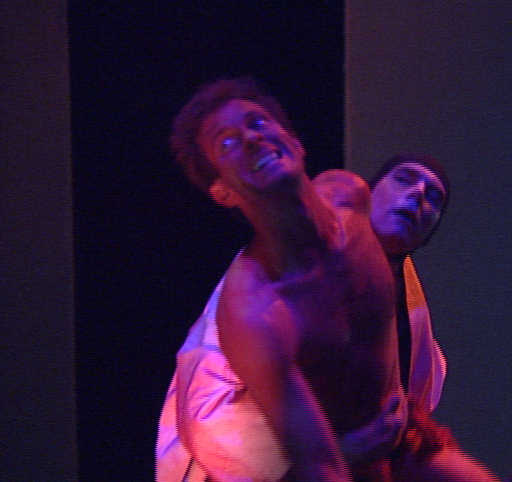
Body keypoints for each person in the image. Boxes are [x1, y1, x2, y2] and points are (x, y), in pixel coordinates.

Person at [159, 77, 404, 481]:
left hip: (385, 443)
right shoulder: (256, 309)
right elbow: (318, 467)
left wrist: (395, 399)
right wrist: (345, 454)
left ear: (295, 142)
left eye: (257, 122)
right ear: (222, 193)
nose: (251, 138)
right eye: (227, 142)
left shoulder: (350, 197)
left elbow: (376, 313)